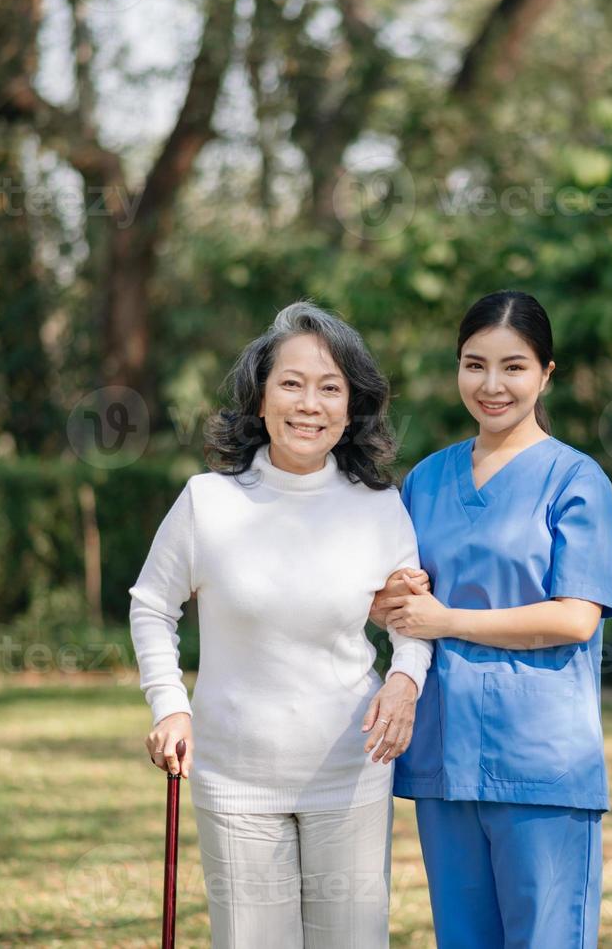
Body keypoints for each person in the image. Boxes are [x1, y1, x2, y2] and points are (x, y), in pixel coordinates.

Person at [129, 302, 431, 949]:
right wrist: (169, 706)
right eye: (291, 383)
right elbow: (152, 604)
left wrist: (404, 680)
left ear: (352, 409)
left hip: (352, 771)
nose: (309, 404)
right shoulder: (206, 503)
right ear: (259, 398)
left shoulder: (379, 508)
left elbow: (412, 619)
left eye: (330, 388)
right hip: (234, 779)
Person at [373, 290, 612, 948]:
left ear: (546, 373)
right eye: (473, 364)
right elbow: (402, 608)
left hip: (541, 764)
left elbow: (575, 618)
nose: (491, 384)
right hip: (445, 758)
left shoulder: (576, 479)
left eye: (513, 366)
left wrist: (446, 618)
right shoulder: (426, 479)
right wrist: (388, 601)